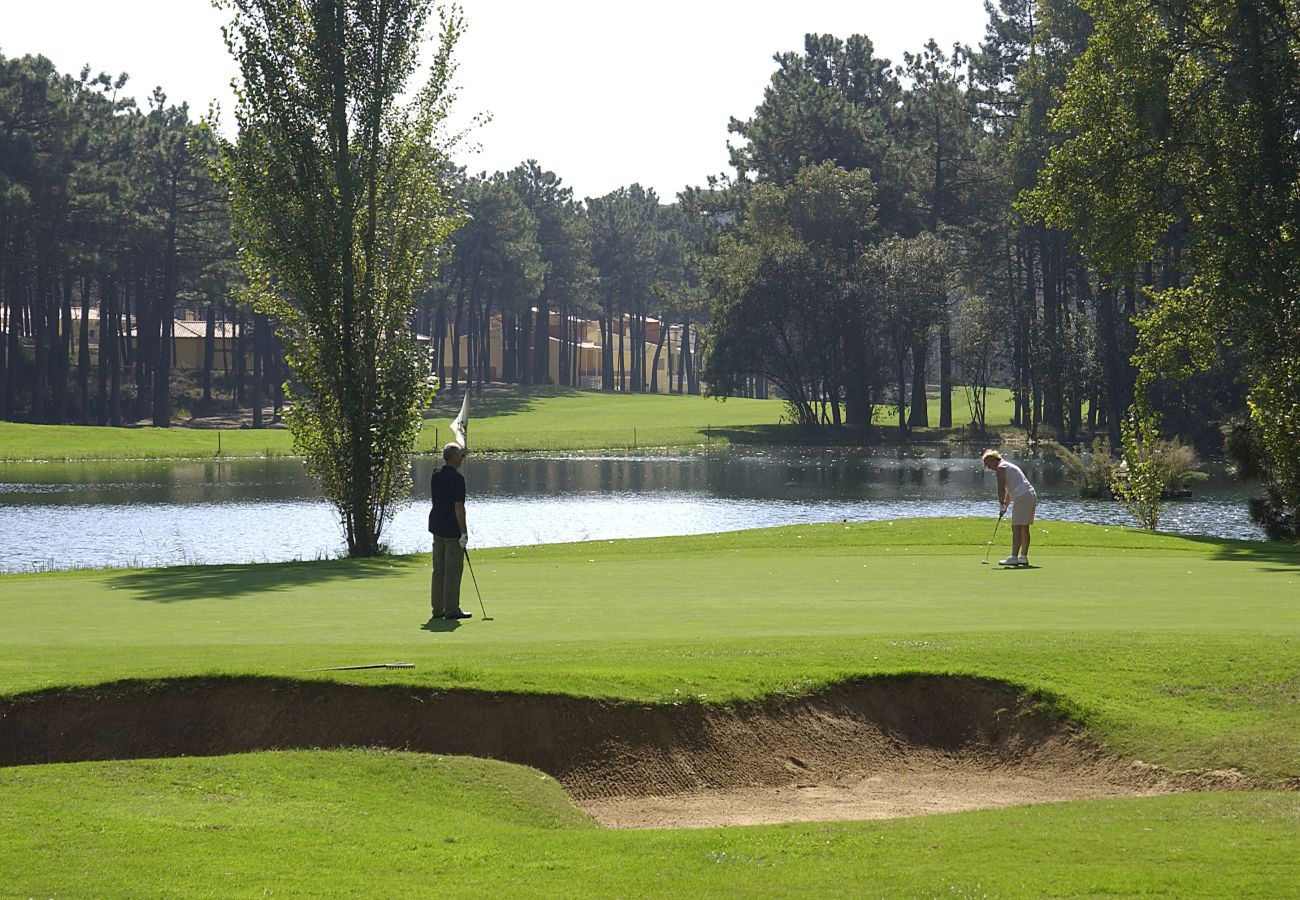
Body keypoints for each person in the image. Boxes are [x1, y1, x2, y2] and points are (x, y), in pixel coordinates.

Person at [429, 442, 471, 619]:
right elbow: (458, 507)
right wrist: (463, 532)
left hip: (436, 526)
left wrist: (461, 452)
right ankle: (452, 610)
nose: (462, 458)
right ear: (454, 458)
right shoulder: (457, 479)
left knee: (439, 569)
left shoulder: (436, 474)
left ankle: (438, 610)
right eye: (460, 456)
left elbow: (453, 457)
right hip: (451, 528)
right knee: (453, 570)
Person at [982, 449, 1037, 567]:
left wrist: (1001, 504)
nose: (989, 468)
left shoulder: (1001, 468)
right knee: (1024, 527)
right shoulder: (1007, 465)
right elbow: (1010, 489)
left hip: (1023, 496)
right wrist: (1005, 505)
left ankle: (1014, 557)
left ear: (993, 460)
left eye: (988, 465)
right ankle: (1023, 557)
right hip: (1029, 495)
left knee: (1016, 527)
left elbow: (1001, 489)